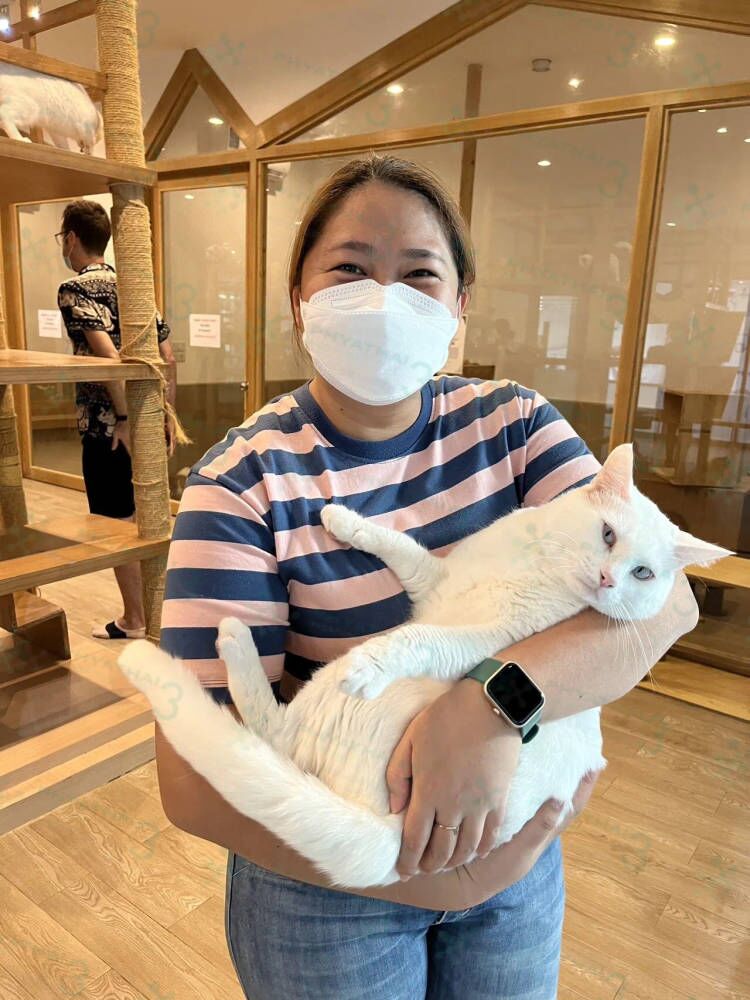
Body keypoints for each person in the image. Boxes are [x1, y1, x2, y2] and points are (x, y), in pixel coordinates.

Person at [156, 154, 698, 999]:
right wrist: (429, 880)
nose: (384, 299)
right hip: (323, 882)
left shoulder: (514, 425)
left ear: (459, 308)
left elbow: (668, 601)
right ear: (298, 299)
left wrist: (486, 707)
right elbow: (192, 780)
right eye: (348, 268)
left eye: (418, 275)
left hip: (509, 853)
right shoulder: (242, 482)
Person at [57, 199, 177, 640]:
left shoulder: (74, 289)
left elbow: (108, 358)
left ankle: (135, 619)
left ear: (72, 238)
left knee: (115, 524)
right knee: (147, 519)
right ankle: (157, 611)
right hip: (147, 420)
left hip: (107, 427)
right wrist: (166, 414)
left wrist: (123, 417)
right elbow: (167, 356)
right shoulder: (132, 285)